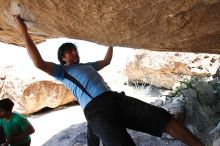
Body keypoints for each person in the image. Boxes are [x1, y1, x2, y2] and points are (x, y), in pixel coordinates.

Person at [13, 15, 204, 146]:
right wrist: (24, 32)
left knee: (165, 120)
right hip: (96, 111)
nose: (75, 52)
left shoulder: (88, 65)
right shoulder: (62, 71)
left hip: (116, 99)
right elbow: (38, 63)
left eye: (75, 50)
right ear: (63, 57)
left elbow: (106, 61)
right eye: (70, 51)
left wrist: (112, 41)